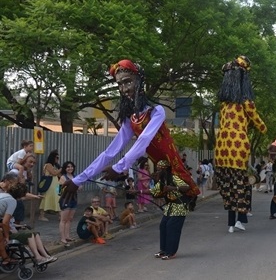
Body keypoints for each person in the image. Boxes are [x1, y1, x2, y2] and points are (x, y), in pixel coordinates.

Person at [62, 59, 200, 213]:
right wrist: (78, 179)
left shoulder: (156, 111)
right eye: (120, 84)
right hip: (163, 176)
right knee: (167, 228)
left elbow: (143, 140)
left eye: (127, 82)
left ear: (139, 81)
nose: (124, 89)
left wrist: (119, 167)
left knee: (172, 226)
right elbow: (110, 151)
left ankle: (190, 197)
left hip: (176, 175)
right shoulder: (131, 119)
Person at [213, 56, 267, 233]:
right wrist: (263, 128)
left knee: (228, 185)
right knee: (240, 185)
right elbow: (257, 122)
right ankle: (240, 218)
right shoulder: (246, 102)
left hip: (221, 149)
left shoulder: (223, 104)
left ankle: (231, 222)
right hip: (238, 149)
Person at [1, 180, 57, 264]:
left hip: (8, 228)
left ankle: (46, 256)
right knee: (30, 234)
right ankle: (38, 257)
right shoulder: (11, 201)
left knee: (34, 233)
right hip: (7, 230)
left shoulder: (3, 195)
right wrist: (7, 237)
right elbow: (5, 222)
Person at [149, 160, 190, 260]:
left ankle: (171, 252)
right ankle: (164, 250)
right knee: (163, 226)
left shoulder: (173, 177)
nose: (157, 171)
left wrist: (174, 188)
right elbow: (153, 191)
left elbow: (186, 187)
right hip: (170, 207)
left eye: (159, 169)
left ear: (165, 169)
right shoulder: (162, 180)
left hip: (179, 206)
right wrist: (138, 191)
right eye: (157, 169)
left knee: (172, 227)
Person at [38, 150, 62, 221]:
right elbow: (54, 173)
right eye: (56, 158)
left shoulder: (54, 166)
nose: (57, 159)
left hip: (56, 184)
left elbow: (58, 174)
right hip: (50, 184)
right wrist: (60, 169)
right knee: (46, 198)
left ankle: (60, 215)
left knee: (58, 197)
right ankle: (41, 215)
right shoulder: (48, 165)